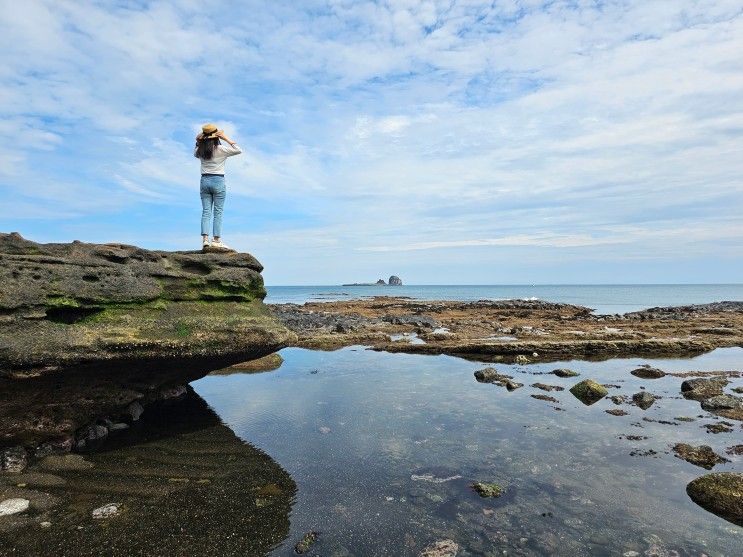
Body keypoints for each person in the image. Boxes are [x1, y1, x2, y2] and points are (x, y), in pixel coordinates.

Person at [194, 123, 242, 249]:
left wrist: (198, 140)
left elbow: (196, 147)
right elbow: (238, 150)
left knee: (206, 211)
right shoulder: (221, 149)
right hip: (218, 180)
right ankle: (216, 240)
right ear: (217, 137)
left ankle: (205, 239)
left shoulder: (199, 151)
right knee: (218, 212)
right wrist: (226, 138)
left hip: (204, 180)